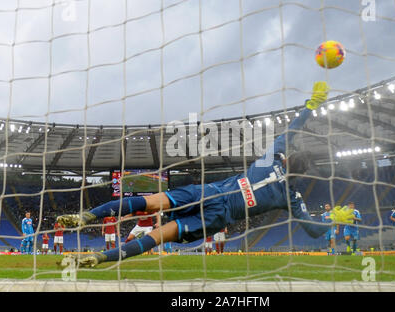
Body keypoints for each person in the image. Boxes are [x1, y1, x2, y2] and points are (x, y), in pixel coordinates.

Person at [57, 81, 355, 267]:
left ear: (288, 159)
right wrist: (332, 220)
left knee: (149, 202)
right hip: (217, 217)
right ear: (302, 174)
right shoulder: (292, 197)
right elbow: (313, 230)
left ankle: (89, 216)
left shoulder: (271, 159)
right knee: (160, 235)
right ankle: (100, 258)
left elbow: (290, 132)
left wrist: (310, 106)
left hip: (211, 191)